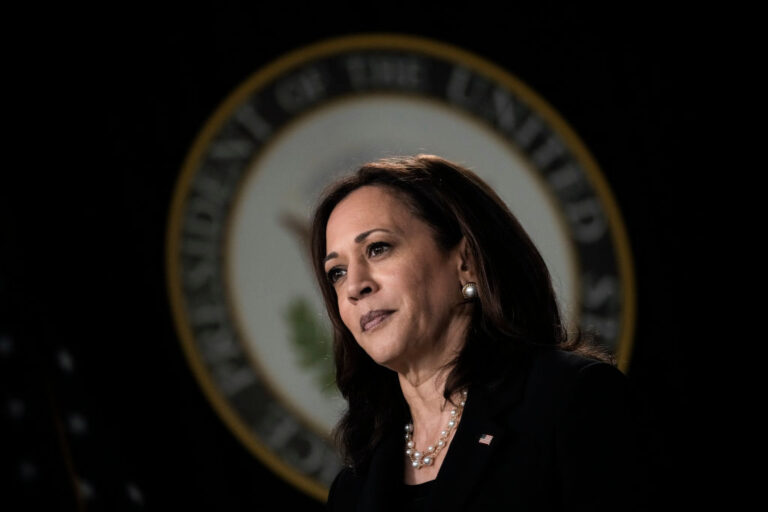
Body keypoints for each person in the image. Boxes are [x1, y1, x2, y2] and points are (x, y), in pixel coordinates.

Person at [310, 155, 648, 511]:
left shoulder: (571, 400)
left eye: (378, 249)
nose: (354, 286)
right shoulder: (353, 489)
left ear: (466, 262)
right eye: (337, 272)